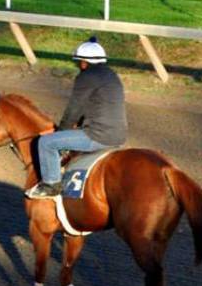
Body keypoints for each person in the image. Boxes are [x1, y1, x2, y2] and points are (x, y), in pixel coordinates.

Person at [25, 36, 127, 199]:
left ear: (84, 63)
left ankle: (51, 184)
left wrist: (59, 131)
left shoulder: (86, 77)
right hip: (119, 135)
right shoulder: (111, 74)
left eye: (78, 63)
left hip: (98, 136)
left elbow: (74, 109)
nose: (78, 66)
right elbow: (93, 106)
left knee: (46, 142)